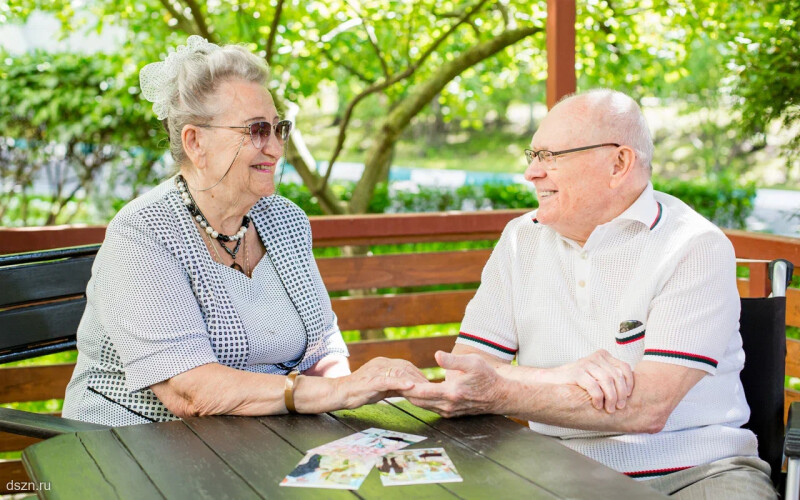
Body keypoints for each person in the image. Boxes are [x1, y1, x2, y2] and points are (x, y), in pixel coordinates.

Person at [402, 89, 777, 498]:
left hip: (698, 473)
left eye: (551, 157)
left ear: (619, 163)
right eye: (533, 156)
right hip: (554, 471)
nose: (532, 173)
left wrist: (500, 386)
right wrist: (557, 375)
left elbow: (649, 408)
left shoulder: (693, 245)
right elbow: (465, 374)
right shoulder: (520, 239)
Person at [62, 36, 426, 426]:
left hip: (256, 441)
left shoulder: (285, 220)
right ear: (196, 142)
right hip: (131, 450)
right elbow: (191, 392)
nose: (275, 148)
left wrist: (347, 404)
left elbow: (324, 354)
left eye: (277, 128)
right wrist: (338, 392)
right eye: (256, 130)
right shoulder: (143, 234)